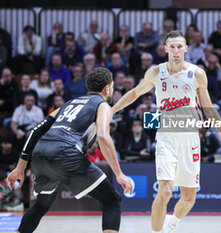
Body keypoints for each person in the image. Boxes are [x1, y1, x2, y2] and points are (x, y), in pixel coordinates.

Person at [111, 30, 221, 233]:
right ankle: (155, 231)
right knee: (166, 190)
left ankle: (173, 222)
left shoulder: (197, 74)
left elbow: (208, 107)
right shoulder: (155, 72)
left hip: (190, 140)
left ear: (186, 48)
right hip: (166, 137)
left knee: (189, 198)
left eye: (180, 46)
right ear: (165, 49)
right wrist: (111, 110)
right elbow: (134, 93)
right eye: (172, 46)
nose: (176, 50)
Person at [7, 67, 133, 233]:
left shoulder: (68, 104)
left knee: (42, 204)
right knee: (112, 200)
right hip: (66, 153)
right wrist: (119, 174)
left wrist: (20, 167)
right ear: (107, 88)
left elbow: (37, 131)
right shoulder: (103, 106)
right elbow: (103, 136)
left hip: (40, 153)